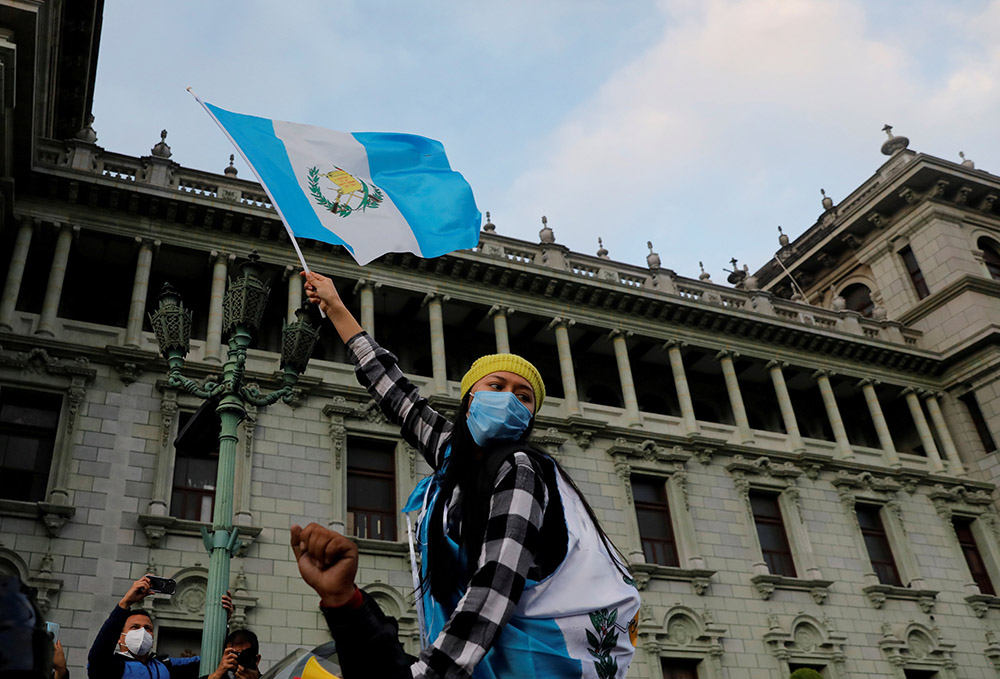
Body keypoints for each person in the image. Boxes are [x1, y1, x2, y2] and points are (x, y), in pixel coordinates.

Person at [295, 271, 641, 679]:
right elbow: (393, 390)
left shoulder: (520, 468)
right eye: (497, 385)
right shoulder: (451, 456)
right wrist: (336, 307)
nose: (510, 398)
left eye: (524, 396)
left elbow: (497, 581)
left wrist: (432, 673)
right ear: (470, 397)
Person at [87, 576, 236, 679]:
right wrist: (125, 603)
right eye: (135, 627)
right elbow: (97, 655)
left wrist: (223, 622)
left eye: (148, 628)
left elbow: (210, 660)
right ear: (120, 637)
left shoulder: (164, 666)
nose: (142, 632)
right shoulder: (110, 667)